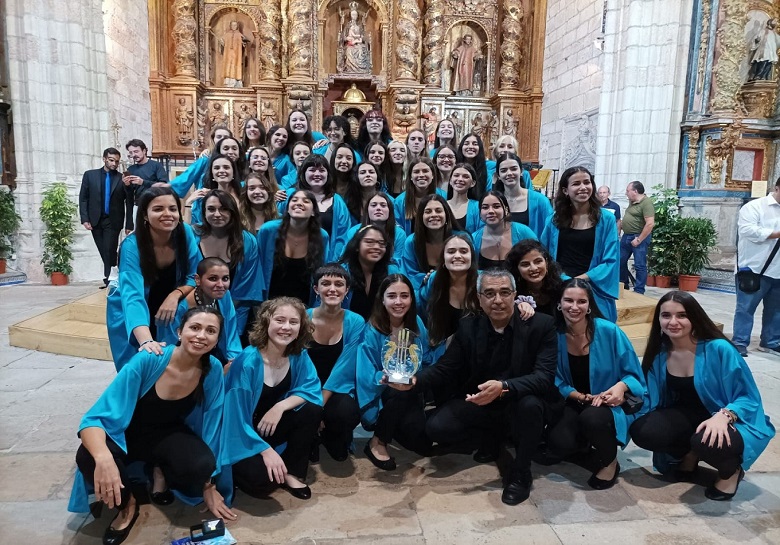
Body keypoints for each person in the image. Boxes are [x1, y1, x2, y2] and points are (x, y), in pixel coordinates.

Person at [69, 308, 236, 544]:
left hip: (167, 434)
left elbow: (213, 421)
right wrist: (104, 459)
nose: (201, 336)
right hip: (127, 434)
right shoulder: (150, 359)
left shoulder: (213, 369)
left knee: (201, 465)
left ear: (217, 340)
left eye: (210, 331)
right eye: (195, 327)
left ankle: (159, 470)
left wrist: (208, 485)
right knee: (88, 457)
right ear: (179, 332)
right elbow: (93, 419)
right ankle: (128, 506)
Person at [401, 268, 558, 505]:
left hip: (520, 399)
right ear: (479, 298)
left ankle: (521, 473)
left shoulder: (541, 325)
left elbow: (544, 377)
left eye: (505, 292)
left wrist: (504, 386)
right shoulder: (469, 327)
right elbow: (445, 368)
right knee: (437, 427)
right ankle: (492, 437)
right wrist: (414, 381)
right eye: (490, 293)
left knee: (530, 406)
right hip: (482, 401)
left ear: (515, 295)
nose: (498, 300)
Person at [630, 291, 775, 500]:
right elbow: (648, 395)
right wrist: (622, 393)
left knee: (707, 440)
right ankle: (690, 454)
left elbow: (748, 396)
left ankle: (731, 472)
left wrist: (724, 416)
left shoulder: (719, 349)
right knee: (644, 430)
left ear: (694, 317)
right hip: (688, 415)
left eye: (682, 315)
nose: (673, 322)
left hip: (731, 417)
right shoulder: (660, 353)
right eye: (666, 315)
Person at [545, 279, 646, 489]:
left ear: (590, 305)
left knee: (592, 418)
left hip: (608, 402)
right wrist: (577, 396)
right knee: (559, 442)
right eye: (568, 300)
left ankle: (610, 463)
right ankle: (584, 444)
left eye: (581, 301)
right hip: (575, 399)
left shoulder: (610, 331)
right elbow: (553, 377)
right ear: (559, 304)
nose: (574, 307)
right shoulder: (554, 335)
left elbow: (634, 375)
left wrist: (620, 387)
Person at [221, 298, 323, 500]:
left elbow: (311, 388)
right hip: (242, 432)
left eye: (293, 322)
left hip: (271, 425)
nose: (286, 327)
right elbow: (234, 420)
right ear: (266, 322)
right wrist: (265, 451)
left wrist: (280, 407)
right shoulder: (247, 362)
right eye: (280, 320)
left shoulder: (298, 354)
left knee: (311, 409)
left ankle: (292, 472)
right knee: (263, 483)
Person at [107, 187, 200, 371]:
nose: (167, 214)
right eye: (158, 209)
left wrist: (175, 295)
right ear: (144, 214)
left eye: (172, 209)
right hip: (130, 306)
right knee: (138, 365)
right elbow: (133, 296)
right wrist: (146, 341)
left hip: (169, 303)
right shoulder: (132, 246)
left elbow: (195, 276)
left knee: (170, 365)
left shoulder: (185, 233)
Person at [357, 274, 432, 470]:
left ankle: (397, 425)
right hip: (382, 394)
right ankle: (378, 441)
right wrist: (383, 378)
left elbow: (426, 358)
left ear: (411, 299)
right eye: (392, 296)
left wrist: (416, 377)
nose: (398, 302)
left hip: (411, 392)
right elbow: (365, 373)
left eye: (404, 296)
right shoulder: (372, 330)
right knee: (398, 389)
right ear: (382, 299)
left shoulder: (416, 323)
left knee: (421, 444)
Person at [541, 166, 619, 322]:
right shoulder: (554, 220)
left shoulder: (607, 219)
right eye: (576, 183)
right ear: (565, 190)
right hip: (560, 285)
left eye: (587, 182)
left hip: (594, 286)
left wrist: (580, 280)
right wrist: (564, 279)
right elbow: (544, 255)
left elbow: (611, 260)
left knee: (597, 331)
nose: (583, 187)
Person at [307, 265, 367, 460]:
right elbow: (298, 365)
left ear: (346, 290)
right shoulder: (303, 318)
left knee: (345, 413)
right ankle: (310, 434)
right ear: (316, 289)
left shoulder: (356, 321)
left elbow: (344, 368)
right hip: (306, 385)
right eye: (325, 283)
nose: (332, 289)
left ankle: (328, 432)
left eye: (339, 284)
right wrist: (313, 405)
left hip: (338, 387)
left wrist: (319, 405)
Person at [192, 189, 262, 335]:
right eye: (211, 209)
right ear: (203, 212)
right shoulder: (192, 236)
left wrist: (224, 316)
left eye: (224, 209)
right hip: (192, 308)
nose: (217, 214)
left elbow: (246, 288)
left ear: (232, 212)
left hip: (234, 311)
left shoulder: (248, 241)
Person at [159, 257, 242, 366]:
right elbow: (169, 348)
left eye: (225, 278)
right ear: (198, 279)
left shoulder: (225, 296)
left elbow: (231, 335)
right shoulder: (178, 309)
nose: (221, 285)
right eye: (213, 278)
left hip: (216, 356)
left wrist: (234, 362)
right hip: (183, 363)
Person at [732, 177, 780, 357]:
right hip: (754, 268)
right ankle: (739, 342)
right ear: (777, 187)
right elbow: (748, 230)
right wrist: (776, 234)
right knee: (746, 308)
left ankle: (770, 342)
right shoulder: (754, 207)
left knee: (776, 310)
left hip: (778, 270)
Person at [257, 189, 330, 306]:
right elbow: (257, 268)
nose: (299, 203)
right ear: (287, 209)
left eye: (306, 201)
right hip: (268, 304)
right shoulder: (268, 231)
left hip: (304, 307)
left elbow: (321, 273)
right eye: (294, 200)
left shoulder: (322, 236)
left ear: (313, 212)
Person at [418, 234, 480, 361]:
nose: (457, 256)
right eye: (451, 251)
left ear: (472, 257)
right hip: (441, 354)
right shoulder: (433, 280)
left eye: (463, 251)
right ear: (443, 259)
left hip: (477, 353)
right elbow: (423, 313)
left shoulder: (483, 281)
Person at [79, 147, 135, 288]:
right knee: (103, 250)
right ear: (104, 159)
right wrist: (85, 219)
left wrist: (129, 223)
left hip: (113, 220)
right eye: (111, 160)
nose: (114, 164)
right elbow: (83, 198)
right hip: (95, 219)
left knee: (109, 248)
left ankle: (109, 278)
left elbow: (129, 201)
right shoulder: (90, 175)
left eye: (116, 161)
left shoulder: (122, 178)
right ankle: (115, 274)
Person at [295, 154, 352, 257]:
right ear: (303, 173)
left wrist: (333, 262)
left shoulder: (337, 201)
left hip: (329, 260)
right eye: (312, 170)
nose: (317, 174)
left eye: (322, 170)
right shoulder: (291, 197)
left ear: (328, 174)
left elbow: (343, 236)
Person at [338, 224, 400, 319]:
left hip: (382, 326)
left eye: (381, 243)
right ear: (357, 246)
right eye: (370, 242)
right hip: (347, 325)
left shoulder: (392, 271)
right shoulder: (342, 271)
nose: (377, 247)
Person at [401, 194, 458, 291]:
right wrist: (425, 279)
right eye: (428, 211)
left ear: (446, 214)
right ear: (421, 217)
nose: (433, 215)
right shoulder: (411, 242)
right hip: (423, 292)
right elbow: (409, 274)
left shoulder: (460, 240)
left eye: (438, 211)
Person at [472, 190, 536, 270]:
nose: (491, 211)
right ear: (480, 213)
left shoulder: (524, 233)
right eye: (485, 207)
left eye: (496, 206)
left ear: (506, 210)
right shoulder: (474, 239)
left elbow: (538, 260)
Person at [493, 152, 553, 238]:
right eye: (503, 170)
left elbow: (550, 233)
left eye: (513, 169)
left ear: (521, 172)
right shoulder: (493, 201)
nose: (509, 173)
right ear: (498, 175)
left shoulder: (540, 201)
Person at [345, 191, 407, 264]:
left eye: (383, 205)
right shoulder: (353, 231)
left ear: (390, 210)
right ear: (367, 210)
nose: (378, 208)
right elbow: (346, 260)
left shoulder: (399, 234)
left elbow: (398, 263)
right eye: (373, 205)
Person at [171, 125, 232, 198]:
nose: (222, 139)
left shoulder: (234, 159)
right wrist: (167, 187)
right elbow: (188, 175)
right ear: (213, 139)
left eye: (225, 137)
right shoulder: (205, 159)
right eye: (219, 137)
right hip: (205, 200)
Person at [506, 239, 563, 316]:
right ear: (516, 269)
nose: (533, 268)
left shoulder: (561, 288)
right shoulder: (511, 294)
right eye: (525, 264)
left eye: (538, 261)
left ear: (546, 262)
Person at [183, 153, 242, 225]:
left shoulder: (244, 192)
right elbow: (188, 227)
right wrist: (188, 203)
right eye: (217, 168)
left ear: (233, 172)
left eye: (226, 167)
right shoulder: (205, 197)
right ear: (212, 173)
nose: (221, 170)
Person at [620, 181, 654, 294]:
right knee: (619, 261)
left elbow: (650, 223)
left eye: (627, 191)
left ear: (635, 191)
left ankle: (639, 290)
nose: (626, 193)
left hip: (638, 237)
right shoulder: (632, 201)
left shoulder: (647, 203)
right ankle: (623, 284)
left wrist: (639, 239)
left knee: (639, 264)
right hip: (626, 236)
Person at [394, 157, 441, 235]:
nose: (421, 175)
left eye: (425, 171)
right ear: (411, 177)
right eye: (416, 172)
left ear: (432, 175)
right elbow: (399, 232)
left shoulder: (443, 196)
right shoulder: (399, 202)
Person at [124, 139, 169, 206]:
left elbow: (164, 185)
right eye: (131, 153)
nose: (133, 155)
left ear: (144, 151)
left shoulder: (156, 165)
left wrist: (143, 182)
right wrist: (127, 185)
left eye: (136, 151)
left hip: (155, 202)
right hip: (139, 204)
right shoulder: (131, 169)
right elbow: (130, 192)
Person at [447, 164, 482, 233]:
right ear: (450, 181)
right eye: (456, 175)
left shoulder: (477, 207)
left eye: (465, 177)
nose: (460, 179)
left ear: (473, 183)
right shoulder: (442, 205)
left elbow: (481, 231)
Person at [457, 134, 490, 200]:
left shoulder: (486, 175)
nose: (470, 146)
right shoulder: (453, 169)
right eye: (466, 144)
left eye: (475, 144)